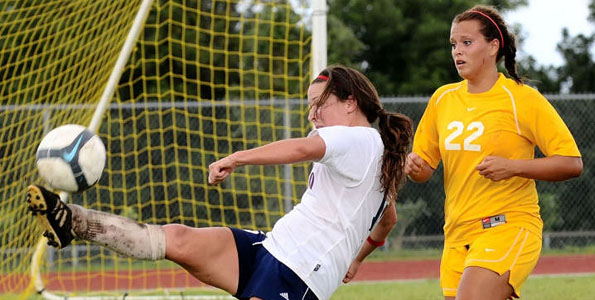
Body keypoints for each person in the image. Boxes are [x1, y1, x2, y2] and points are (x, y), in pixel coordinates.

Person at [27, 65, 413, 300]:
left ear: (350, 102)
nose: (313, 113)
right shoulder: (373, 155)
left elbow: (299, 149)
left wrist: (236, 158)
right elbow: (388, 218)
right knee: (177, 239)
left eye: (320, 103)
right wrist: (358, 258)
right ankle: (72, 221)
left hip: (299, 271)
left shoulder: (360, 138)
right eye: (309, 105)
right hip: (272, 246)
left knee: (177, 240)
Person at [404, 5, 583, 300]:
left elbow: (571, 163)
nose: (457, 51)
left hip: (508, 225)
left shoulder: (522, 98)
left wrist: (513, 167)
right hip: (458, 234)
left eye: (466, 42)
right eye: (453, 44)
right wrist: (415, 166)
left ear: (493, 46)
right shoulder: (442, 99)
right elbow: (425, 170)